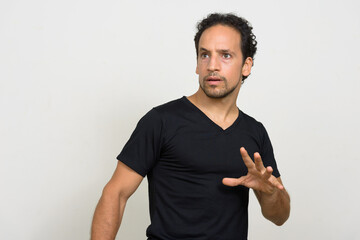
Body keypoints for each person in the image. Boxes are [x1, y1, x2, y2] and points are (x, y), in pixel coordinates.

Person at [91, 13, 290, 240]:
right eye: (205, 55)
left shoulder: (255, 132)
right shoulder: (161, 121)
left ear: (246, 65)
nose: (212, 65)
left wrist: (271, 193)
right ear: (197, 63)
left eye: (225, 55)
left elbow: (280, 217)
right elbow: (115, 194)